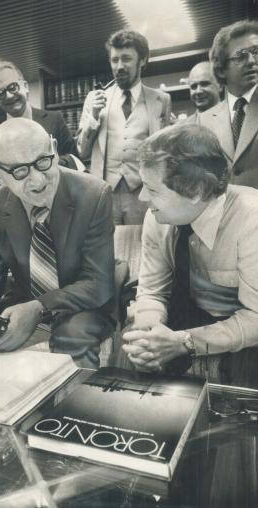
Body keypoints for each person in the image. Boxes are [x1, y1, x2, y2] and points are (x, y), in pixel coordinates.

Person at [0, 118, 115, 368]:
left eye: (43, 162)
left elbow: (98, 283)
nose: (38, 181)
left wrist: (39, 308)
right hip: (24, 298)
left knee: (73, 337)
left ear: (54, 148)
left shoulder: (95, 194)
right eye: (20, 171)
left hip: (85, 298)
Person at [122, 123, 258, 387]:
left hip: (240, 329)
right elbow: (152, 291)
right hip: (183, 314)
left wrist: (185, 342)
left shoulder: (252, 220)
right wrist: (148, 333)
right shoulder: (157, 216)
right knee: (131, 346)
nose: (141, 198)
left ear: (195, 191)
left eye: (152, 189)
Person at [77, 29, 171, 225]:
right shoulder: (95, 99)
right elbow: (82, 151)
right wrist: (93, 116)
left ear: (143, 60)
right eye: (114, 60)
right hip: (104, 194)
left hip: (143, 193)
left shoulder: (161, 100)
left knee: (141, 247)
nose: (119, 66)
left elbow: (165, 153)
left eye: (126, 59)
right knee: (107, 250)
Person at [0, 61, 78, 195]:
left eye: (12, 87)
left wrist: (45, 164)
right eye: (0, 93)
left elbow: (74, 161)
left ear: (25, 86)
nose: (8, 96)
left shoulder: (54, 120)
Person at [199, 20, 258, 188]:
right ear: (221, 69)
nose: (252, 61)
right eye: (241, 56)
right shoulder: (204, 120)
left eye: (256, 51)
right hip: (225, 212)